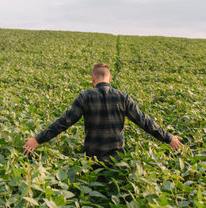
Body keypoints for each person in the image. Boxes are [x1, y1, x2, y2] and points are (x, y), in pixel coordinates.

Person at [23, 63, 183, 166]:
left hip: (92, 159)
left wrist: (37, 139)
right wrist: (169, 138)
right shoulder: (123, 97)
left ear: (92, 79)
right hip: (117, 159)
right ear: (110, 78)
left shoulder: (85, 97)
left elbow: (64, 122)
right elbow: (144, 121)